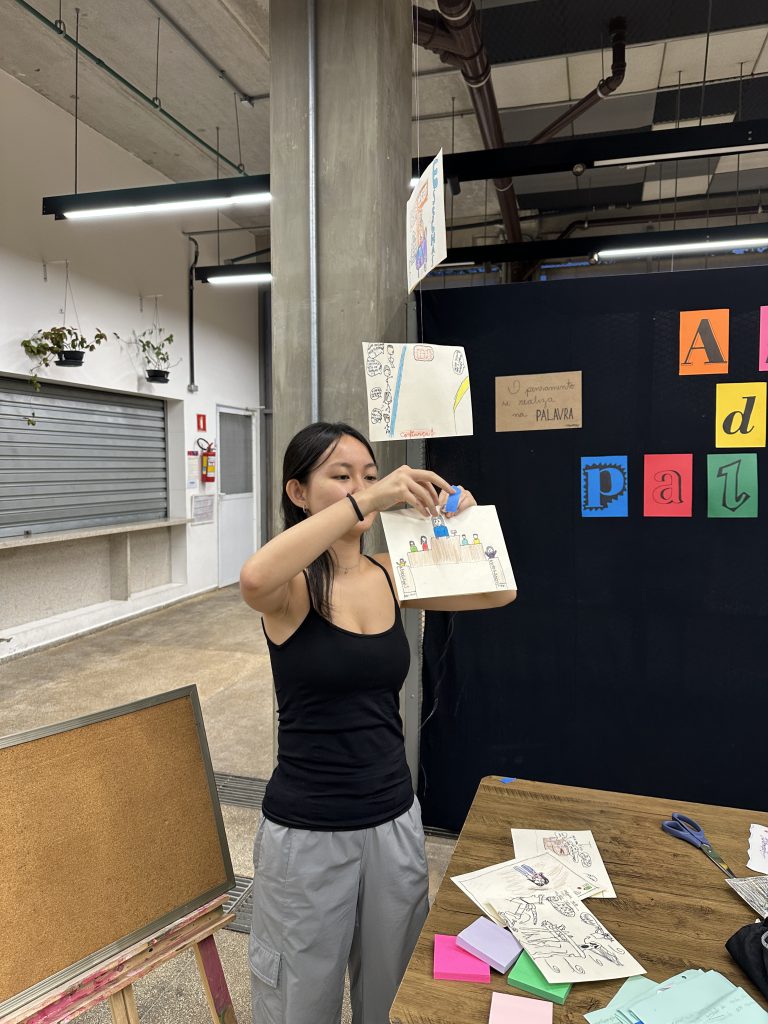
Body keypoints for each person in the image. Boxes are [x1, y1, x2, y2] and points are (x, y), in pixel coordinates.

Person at [239, 421, 517, 1024]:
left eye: (369, 474)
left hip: (393, 819)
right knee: (297, 1004)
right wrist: (369, 499)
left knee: (394, 999)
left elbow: (497, 592)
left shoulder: (392, 572)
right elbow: (254, 577)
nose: (362, 487)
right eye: (340, 476)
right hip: (308, 833)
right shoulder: (291, 588)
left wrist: (462, 523)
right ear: (298, 492)